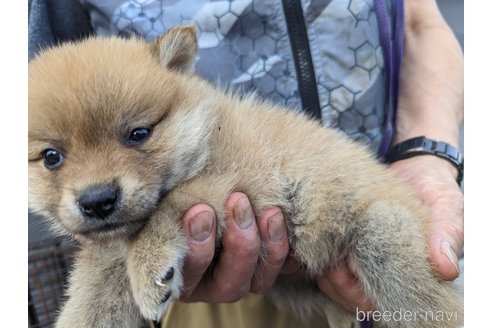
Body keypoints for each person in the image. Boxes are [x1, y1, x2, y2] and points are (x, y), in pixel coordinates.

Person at [28, 0, 463, 326]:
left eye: (138, 135)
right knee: (112, 259)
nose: (95, 184)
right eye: (53, 158)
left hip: (367, 213)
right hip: (208, 301)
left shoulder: (209, 126)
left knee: (409, 287)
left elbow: (419, 22)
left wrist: (427, 151)